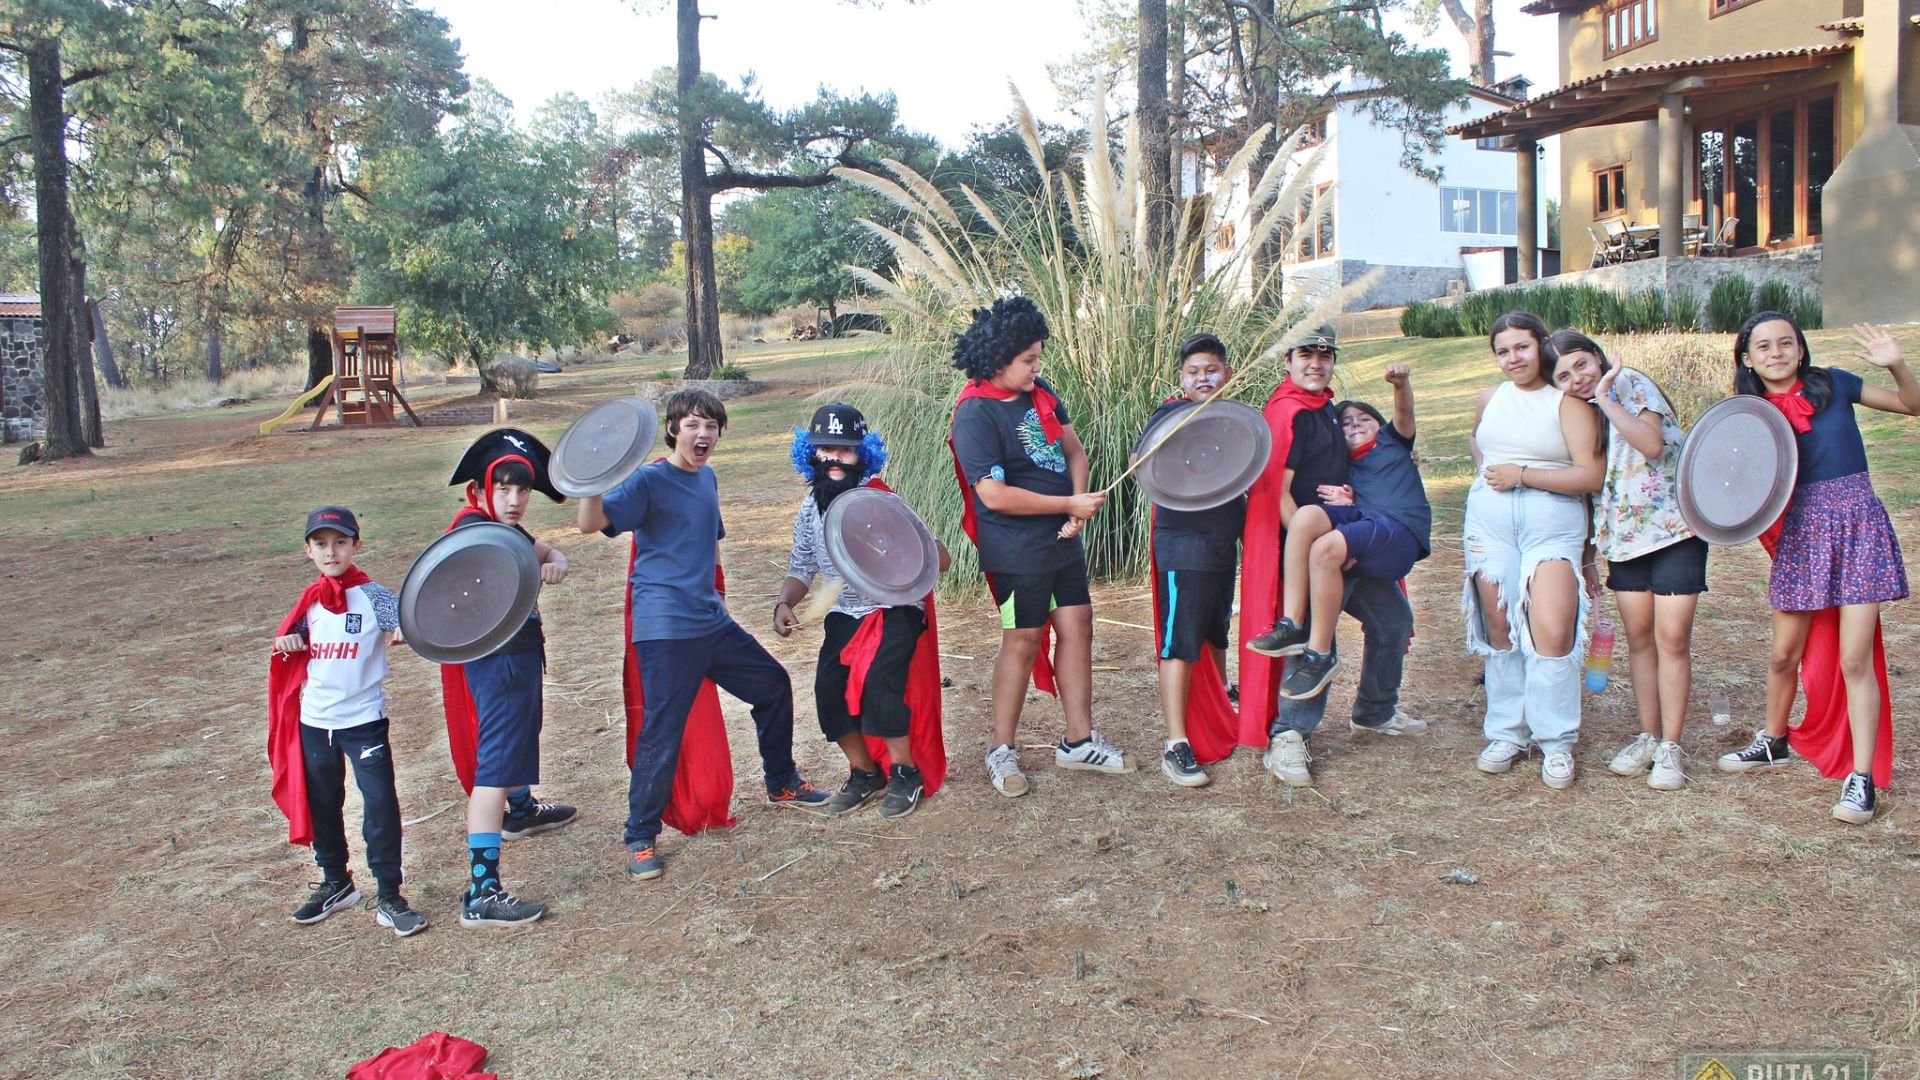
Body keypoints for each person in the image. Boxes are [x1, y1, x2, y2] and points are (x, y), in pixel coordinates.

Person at [577, 388, 830, 883]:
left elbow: (710, 544)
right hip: (665, 628)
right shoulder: (649, 481)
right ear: (674, 428)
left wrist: (719, 599)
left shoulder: (707, 478)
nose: (703, 434)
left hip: (709, 622)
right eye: (693, 424)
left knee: (772, 684)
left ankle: (781, 782)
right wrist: (591, 482)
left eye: (711, 426)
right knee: (663, 729)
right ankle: (640, 836)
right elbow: (590, 523)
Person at [1715, 314, 1916, 824]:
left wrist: (1897, 366)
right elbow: (1731, 482)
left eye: (1786, 342)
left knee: (1854, 659)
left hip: (1857, 526)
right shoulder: (1750, 414)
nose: (1776, 352)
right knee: (1784, 655)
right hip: (1801, 535)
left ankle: (1861, 777)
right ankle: (1773, 741)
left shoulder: (1835, 384)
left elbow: (1912, 406)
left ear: (1801, 351)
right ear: (1747, 358)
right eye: (1763, 346)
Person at [947, 296, 1133, 797]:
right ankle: (1001, 750)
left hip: (1059, 540)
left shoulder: (1040, 392)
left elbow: (1074, 449)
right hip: (1015, 551)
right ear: (997, 361)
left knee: (1078, 626)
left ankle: (1078, 740)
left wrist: (1074, 506)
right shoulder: (974, 415)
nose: (1037, 366)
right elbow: (993, 494)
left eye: (1038, 356)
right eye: (1029, 359)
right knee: (1024, 641)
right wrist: (1066, 504)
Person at [1241, 326, 1424, 789]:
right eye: (1305, 355)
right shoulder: (1289, 414)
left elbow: (1366, 457)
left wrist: (1349, 505)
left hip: (1350, 539)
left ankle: (1375, 711)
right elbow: (1277, 493)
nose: (1315, 364)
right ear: (1288, 361)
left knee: (1392, 622)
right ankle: (1288, 736)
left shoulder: (1324, 409)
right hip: (1314, 553)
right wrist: (1311, 550)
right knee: (1309, 642)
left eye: (1325, 356)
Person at [772, 403, 948, 819]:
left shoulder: (881, 499)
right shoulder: (808, 509)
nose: (835, 459)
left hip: (895, 606)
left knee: (878, 682)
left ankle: (906, 772)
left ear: (862, 453)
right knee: (828, 690)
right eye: (826, 450)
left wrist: (905, 543)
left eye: (845, 450)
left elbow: (938, 558)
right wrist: (784, 602)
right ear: (809, 453)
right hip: (845, 613)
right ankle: (864, 772)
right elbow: (802, 565)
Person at [1549, 331, 1704, 791]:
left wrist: (1605, 396)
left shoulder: (1629, 385)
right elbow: (1600, 485)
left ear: (1597, 358)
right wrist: (1590, 554)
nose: (1576, 378)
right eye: (1563, 375)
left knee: (1671, 639)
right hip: (1625, 542)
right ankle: (1649, 736)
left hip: (1675, 532)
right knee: (1639, 640)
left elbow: (1651, 445)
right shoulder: (1583, 413)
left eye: (1581, 364)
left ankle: (1672, 747)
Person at [266, 506, 427, 937]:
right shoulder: (310, 602)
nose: (331, 551)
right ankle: (336, 881)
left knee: (379, 804)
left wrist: (403, 630)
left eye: (340, 542)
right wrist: (287, 640)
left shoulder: (375, 596)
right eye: (320, 544)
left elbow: (408, 625)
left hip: (364, 721)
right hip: (315, 721)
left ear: (357, 545)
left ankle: (390, 894)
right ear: (308, 550)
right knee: (322, 803)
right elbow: (291, 641)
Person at [440, 429, 578, 928]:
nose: (516, 500)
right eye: (505, 489)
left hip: (522, 654)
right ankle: (482, 891)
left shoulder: (509, 530)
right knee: (493, 767)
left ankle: (519, 811)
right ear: (480, 491)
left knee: (522, 736)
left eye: (523, 490)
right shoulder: (470, 533)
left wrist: (556, 561)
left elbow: (547, 551)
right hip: (494, 662)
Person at [1463, 312, 1604, 789]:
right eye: (1502, 351)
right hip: (1490, 524)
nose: (1512, 359)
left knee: (1551, 629)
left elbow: (1590, 475)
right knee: (1499, 625)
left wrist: (1522, 475)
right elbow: (1478, 441)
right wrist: (1490, 478)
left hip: (1551, 525)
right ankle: (1507, 731)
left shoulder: (1565, 402)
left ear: (1541, 345)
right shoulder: (1491, 397)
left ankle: (1556, 740)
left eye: (1521, 347)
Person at [1250, 362, 1430, 704]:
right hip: (1367, 530)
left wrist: (1401, 383)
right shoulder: (1345, 467)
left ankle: (1318, 655)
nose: (1356, 425)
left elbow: (1404, 411)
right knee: (1305, 521)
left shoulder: (1393, 442)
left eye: (1365, 419)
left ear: (1380, 424)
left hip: (1400, 530)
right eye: (1346, 423)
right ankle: (1291, 625)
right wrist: (1351, 499)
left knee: (1325, 550)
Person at [1137, 333, 1243, 787]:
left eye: (1211, 369)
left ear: (1228, 374)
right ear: (1181, 379)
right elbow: (1143, 458)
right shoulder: (1170, 416)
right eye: (1194, 371)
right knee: (1180, 641)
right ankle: (1176, 743)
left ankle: (1219, 709)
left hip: (1222, 544)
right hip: (1183, 544)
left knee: (1216, 631)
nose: (1203, 377)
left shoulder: (1234, 422)